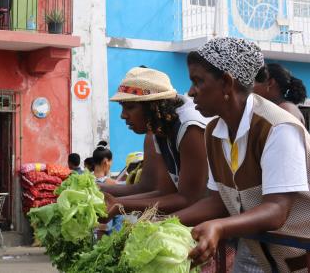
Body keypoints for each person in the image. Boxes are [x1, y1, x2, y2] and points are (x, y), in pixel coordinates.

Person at [176, 37, 310, 272]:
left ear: (227, 83)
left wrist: (218, 227)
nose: (190, 92)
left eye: (198, 81)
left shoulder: (277, 128)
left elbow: (276, 209)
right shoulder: (213, 132)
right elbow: (219, 201)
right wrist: (168, 221)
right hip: (265, 258)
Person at [101, 67, 210, 217]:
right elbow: (166, 192)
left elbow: (189, 199)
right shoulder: (160, 128)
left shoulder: (190, 127)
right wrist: (100, 194)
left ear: (153, 106)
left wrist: (121, 205)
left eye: (130, 107)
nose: (123, 116)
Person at [254, 62, 307, 127]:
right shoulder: (279, 108)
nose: (252, 85)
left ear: (270, 83)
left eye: (257, 80)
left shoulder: (287, 110)